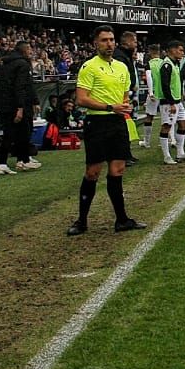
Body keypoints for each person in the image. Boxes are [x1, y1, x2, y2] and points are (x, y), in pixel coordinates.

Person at [68, 25, 145, 236]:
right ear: (96, 43)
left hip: (117, 123)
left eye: (111, 40)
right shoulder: (89, 67)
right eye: (104, 40)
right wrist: (110, 107)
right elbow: (81, 99)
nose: (109, 44)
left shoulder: (121, 67)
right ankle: (81, 221)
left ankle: (122, 220)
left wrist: (124, 106)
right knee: (93, 172)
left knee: (117, 170)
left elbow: (124, 95)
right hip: (98, 123)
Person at [0, 40, 40, 175]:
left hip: (3, 103)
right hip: (14, 104)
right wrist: (20, 107)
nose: (31, 52)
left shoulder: (7, 63)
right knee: (18, 132)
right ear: (24, 50)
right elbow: (20, 86)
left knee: (12, 133)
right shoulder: (22, 64)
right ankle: (15, 162)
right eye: (30, 49)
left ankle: (21, 160)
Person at [152, 40, 185, 165]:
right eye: (180, 50)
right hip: (169, 102)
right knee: (167, 126)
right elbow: (165, 85)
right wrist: (170, 103)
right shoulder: (166, 65)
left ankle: (180, 153)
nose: (182, 53)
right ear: (172, 50)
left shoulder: (175, 64)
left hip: (177, 101)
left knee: (183, 124)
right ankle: (167, 156)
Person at [114, 30, 144, 166]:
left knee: (127, 127)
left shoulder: (126, 56)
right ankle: (122, 156)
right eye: (134, 41)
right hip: (121, 96)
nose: (136, 44)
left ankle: (126, 154)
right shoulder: (120, 56)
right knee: (122, 128)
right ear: (126, 42)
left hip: (127, 94)